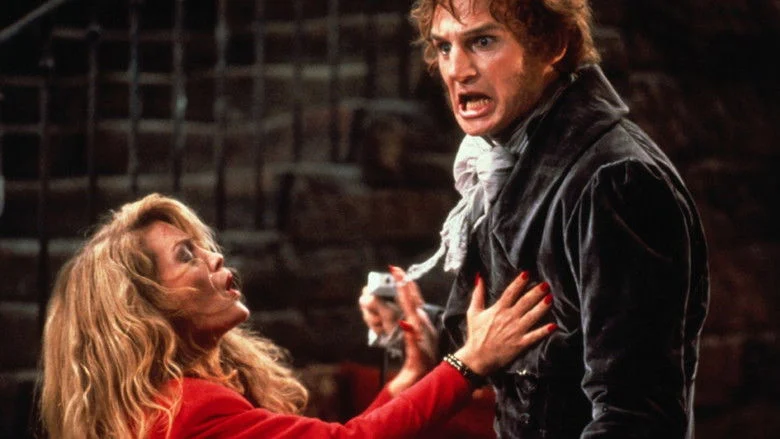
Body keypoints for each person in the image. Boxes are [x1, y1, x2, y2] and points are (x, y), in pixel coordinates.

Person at [360, 0, 709, 437]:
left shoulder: (615, 182)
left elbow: (635, 417)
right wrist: (431, 333)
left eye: (483, 42)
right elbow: (550, 342)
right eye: (445, 47)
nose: (457, 71)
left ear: (553, 45)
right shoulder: (507, 160)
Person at [39, 193, 556, 439]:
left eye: (202, 245)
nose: (215, 257)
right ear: (146, 308)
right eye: (186, 256)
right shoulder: (188, 410)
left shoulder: (160, 406)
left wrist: (409, 376)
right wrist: (470, 361)